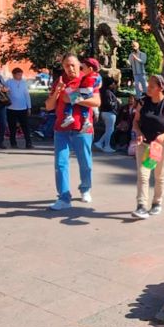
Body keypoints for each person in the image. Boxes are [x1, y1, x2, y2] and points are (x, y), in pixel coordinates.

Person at [46, 53, 100, 210]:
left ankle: (85, 188)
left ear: (79, 65)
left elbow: (96, 101)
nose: (70, 68)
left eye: (73, 65)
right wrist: (58, 92)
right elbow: (49, 106)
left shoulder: (87, 78)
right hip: (61, 128)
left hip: (83, 128)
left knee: (86, 163)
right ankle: (64, 197)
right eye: (66, 66)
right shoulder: (60, 81)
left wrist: (72, 97)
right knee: (61, 163)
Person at [131, 74, 164, 219]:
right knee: (143, 174)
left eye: (152, 86)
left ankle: (157, 203)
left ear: (160, 88)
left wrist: (163, 136)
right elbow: (135, 121)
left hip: (161, 146)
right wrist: (138, 132)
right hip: (145, 143)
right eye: (148, 85)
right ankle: (141, 206)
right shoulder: (142, 102)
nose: (148, 88)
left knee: (159, 175)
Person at [5, 67, 34, 149]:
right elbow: (5, 93)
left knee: (26, 127)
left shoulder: (24, 83)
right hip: (11, 108)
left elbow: (27, 95)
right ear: (13, 74)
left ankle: (28, 143)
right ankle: (13, 143)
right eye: (18, 74)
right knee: (12, 127)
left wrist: (29, 107)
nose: (20, 76)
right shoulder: (8, 82)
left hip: (23, 108)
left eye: (21, 74)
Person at [95, 77, 120, 154]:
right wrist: (117, 102)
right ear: (110, 84)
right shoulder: (108, 92)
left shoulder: (105, 92)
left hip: (106, 113)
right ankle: (106, 145)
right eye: (112, 83)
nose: (114, 85)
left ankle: (101, 143)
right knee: (110, 130)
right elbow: (109, 104)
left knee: (109, 130)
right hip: (109, 113)